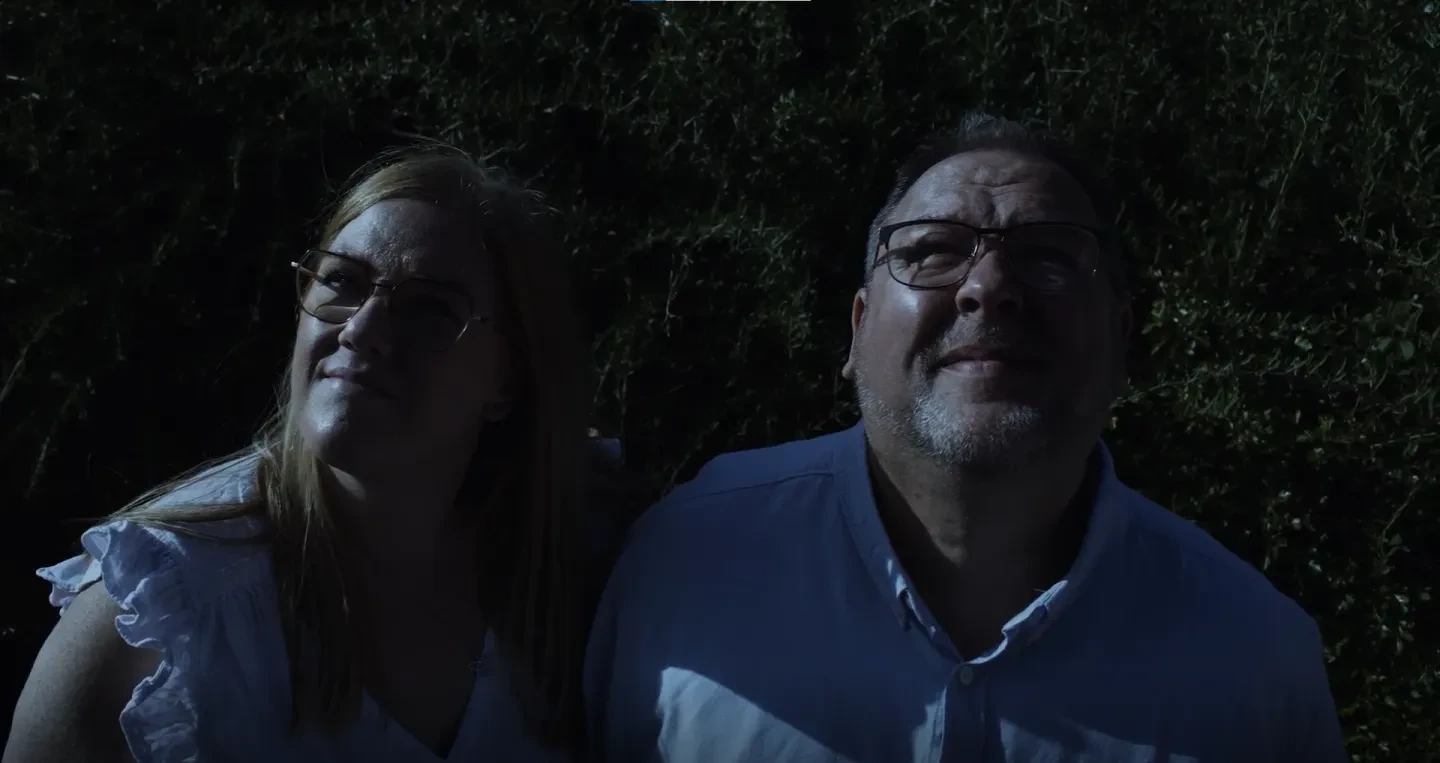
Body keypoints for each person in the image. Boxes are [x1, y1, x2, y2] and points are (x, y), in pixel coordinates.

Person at [584, 112, 1348, 762]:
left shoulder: (1255, 663)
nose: (989, 287)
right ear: (855, 331)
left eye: (1049, 255)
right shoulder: (678, 570)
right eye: (931, 250)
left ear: (1120, 340)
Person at [5, 145, 642, 763]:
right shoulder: (162, 615)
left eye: (429, 310)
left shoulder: (585, 562)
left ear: (511, 378)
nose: (362, 330)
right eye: (342, 281)